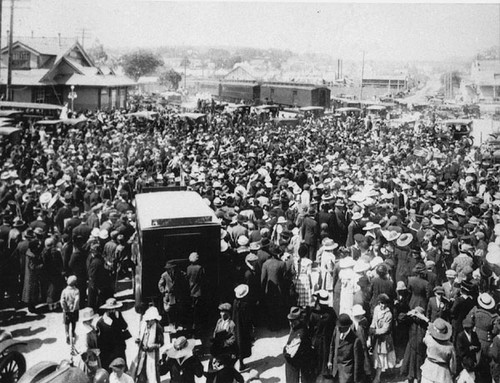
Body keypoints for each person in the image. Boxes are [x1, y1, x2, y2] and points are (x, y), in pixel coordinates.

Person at [308, 290, 337, 382]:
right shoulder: (331, 312)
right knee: (326, 357)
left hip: (316, 340)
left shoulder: (313, 314)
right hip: (328, 339)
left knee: (316, 359)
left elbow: (310, 328)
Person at [328, 313, 365, 383]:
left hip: (346, 375)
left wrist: (356, 379)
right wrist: (330, 361)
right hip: (335, 371)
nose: (338, 328)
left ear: (347, 327)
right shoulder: (336, 330)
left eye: (340, 327)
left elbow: (358, 362)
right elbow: (332, 345)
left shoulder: (355, 340)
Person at [97, 298, 130, 370]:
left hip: (119, 349)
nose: (113, 310)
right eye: (110, 309)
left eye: (114, 309)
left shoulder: (118, 315)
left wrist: (119, 318)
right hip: (108, 352)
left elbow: (124, 326)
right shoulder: (101, 323)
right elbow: (100, 342)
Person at [283, 306, 315, 383]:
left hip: (298, 359)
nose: (291, 323)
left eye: (293, 321)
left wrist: (284, 351)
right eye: (290, 321)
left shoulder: (300, 333)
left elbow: (289, 353)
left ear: (298, 319)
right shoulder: (299, 326)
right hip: (303, 356)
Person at [370, 293, 396, 383]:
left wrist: (375, 332)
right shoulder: (376, 309)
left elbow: (385, 329)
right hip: (376, 337)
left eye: (384, 303)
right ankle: (382, 373)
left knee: (382, 357)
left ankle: (378, 377)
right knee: (376, 355)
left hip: (384, 338)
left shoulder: (389, 314)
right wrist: (372, 327)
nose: (382, 305)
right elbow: (374, 320)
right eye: (381, 303)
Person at [420, 318, 456, 383]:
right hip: (443, 373)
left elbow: (425, 337)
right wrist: (452, 373)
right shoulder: (450, 347)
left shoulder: (429, 340)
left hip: (428, 370)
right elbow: (452, 365)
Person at [134, 306, 164, 383]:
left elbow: (161, 343)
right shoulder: (144, 325)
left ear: (153, 320)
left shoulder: (158, 327)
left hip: (152, 354)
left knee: (152, 372)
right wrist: (139, 341)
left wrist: (151, 347)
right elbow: (142, 337)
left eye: (149, 321)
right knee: (141, 369)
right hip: (143, 353)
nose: (147, 323)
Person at [400, 307, 429, 383]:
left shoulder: (424, 323)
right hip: (411, 346)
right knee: (410, 368)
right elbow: (401, 318)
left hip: (420, 349)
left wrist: (422, 317)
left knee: (419, 369)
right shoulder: (411, 321)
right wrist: (409, 313)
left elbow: (430, 324)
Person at [232, 284, 252, 371]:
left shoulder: (235, 302)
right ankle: (241, 363)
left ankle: (239, 362)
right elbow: (247, 318)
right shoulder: (245, 304)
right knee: (243, 344)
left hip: (236, 326)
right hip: (243, 327)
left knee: (238, 344)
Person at [60, 275, 80, 345]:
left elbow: (62, 300)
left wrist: (65, 307)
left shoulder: (64, 291)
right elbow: (77, 300)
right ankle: (73, 333)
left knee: (66, 323)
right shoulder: (76, 291)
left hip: (66, 311)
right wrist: (74, 307)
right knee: (73, 322)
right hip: (74, 311)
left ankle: (67, 334)